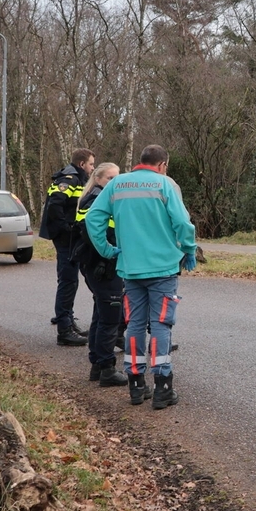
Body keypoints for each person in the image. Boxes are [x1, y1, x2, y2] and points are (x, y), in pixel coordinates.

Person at [85, 145, 197, 409]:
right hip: (163, 268)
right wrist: (189, 249)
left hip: (131, 268)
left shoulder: (117, 184)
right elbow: (183, 223)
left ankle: (136, 385)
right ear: (162, 165)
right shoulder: (165, 184)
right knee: (160, 325)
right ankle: (162, 387)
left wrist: (106, 249)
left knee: (134, 324)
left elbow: (93, 218)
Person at [71, 162, 129, 388]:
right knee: (110, 317)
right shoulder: (97, 199)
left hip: (96, 264)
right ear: (97, 179)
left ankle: (97, 364)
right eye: (110, 178)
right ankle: (106, 369)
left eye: (117, 178)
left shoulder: (97, 197)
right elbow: (92, 231)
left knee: (101, 312)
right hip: (102, 265)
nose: (114, 182)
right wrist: (108, 251)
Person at [39, 148, 95, 346]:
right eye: (91, 164)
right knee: (68, 281)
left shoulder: (77, 179)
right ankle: (64, 330)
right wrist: (68, 228)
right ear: (82, 164)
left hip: (69, 237)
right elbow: (55, 205)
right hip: (66, 238)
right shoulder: (69, 180)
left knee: (70, 280)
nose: (93, 168)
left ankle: (68, 320)